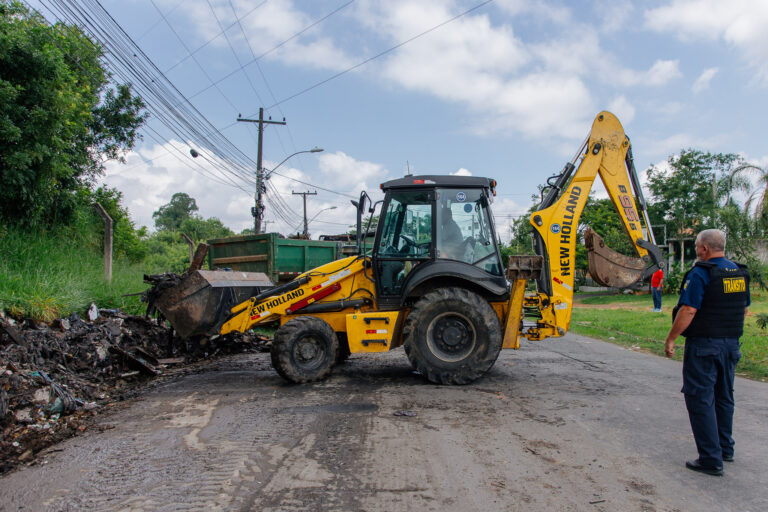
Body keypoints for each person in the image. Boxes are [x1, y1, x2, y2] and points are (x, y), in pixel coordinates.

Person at [664, 229, 750, 476]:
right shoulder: (740, 272)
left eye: (697, 246)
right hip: (731, 345)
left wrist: (671, 338)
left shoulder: (701, 273)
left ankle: (710, 459)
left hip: (704, 346)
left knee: (700, 399)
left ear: (704, 249)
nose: (697, 250)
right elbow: (744, 309)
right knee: (724, 396)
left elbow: (689, 309)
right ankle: (725, 449)